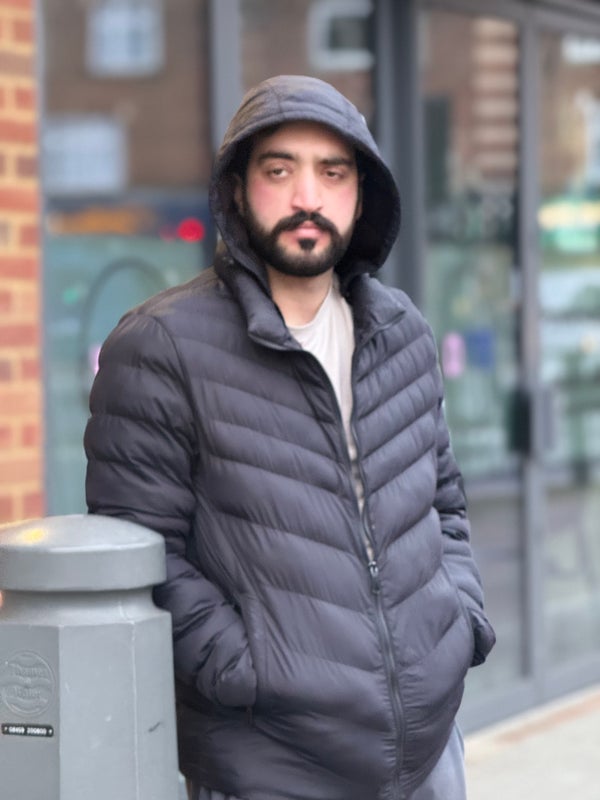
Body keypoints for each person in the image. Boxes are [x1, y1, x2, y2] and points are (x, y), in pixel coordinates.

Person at [85, 74, 495, 800]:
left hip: (430, 754)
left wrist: (460, 619)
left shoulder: (402, 332)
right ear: (237, 190)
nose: (308, 196)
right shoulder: (160, 345)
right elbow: (143, 556)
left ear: (362, 194)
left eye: (332, 173)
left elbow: (445, 504)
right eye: (279, 171)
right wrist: (248, 670)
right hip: (271, 765)